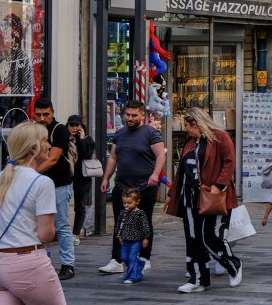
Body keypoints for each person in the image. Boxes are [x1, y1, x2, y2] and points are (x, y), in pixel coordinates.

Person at [0, 121, 66, 304]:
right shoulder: (42, 183)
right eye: (45, 140)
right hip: (28, 264)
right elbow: (46, 234)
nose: (49, 145)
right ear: (33, 148)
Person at [164, 108, 242, 293]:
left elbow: (229, 162)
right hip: (190, 198)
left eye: (187, 126)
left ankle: (233, 265)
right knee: (193, 239)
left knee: (212, 237)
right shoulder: (190, 143)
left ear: (197, 124)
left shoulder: (220, 137)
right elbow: (181, 172)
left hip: (214, 197)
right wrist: (171, 195)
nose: (186, 129)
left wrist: (218, 185)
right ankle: (197, 279)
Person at [99, 100, 166, 275]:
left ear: (142, 115)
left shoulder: (151, 133)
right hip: (122, 186)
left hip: (145, 186)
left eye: (134, 115)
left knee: (144, 222)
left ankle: (144, 257)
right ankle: (117, 259)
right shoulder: (119, 134)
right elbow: (113, 158)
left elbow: (160, 155)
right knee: (120, 222)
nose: (130, 118)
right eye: (127, 115)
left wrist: (155, 174)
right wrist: (106, 178)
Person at [31, 98, 75, 280]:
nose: (42, 118)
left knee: (61, 225)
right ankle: (40, 262)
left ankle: (68, 265)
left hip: (58, 184)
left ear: (53, 113)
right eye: (39, 114)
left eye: (46, 114)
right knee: (35, 225)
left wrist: (25, 175)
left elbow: (53, 159)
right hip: (37, 184)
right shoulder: (31, 129)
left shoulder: (60, 129)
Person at [67, 115, 95, 242]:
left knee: (80, 206)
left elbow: (86, 155)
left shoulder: (87, 140)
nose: (74, 128)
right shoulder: (65, 139)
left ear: (81, 126)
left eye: (76, 125)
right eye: (71, 125)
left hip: (82, 176)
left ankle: (76, 233)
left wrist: (82, 139)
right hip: (66, 174)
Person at [115, 189, 152, 284]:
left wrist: (145, 237)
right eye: (124, 203)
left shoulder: (140, 213)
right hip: (125, 240)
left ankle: (134, 276)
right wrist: (119, 235)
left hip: (136, 240)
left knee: (132, 257)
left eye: (129, 203)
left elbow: (145, 226)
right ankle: (139, 264)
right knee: (123, 257)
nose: (126, 205)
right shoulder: (123, 212)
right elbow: (119, 224)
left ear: (137, 202)